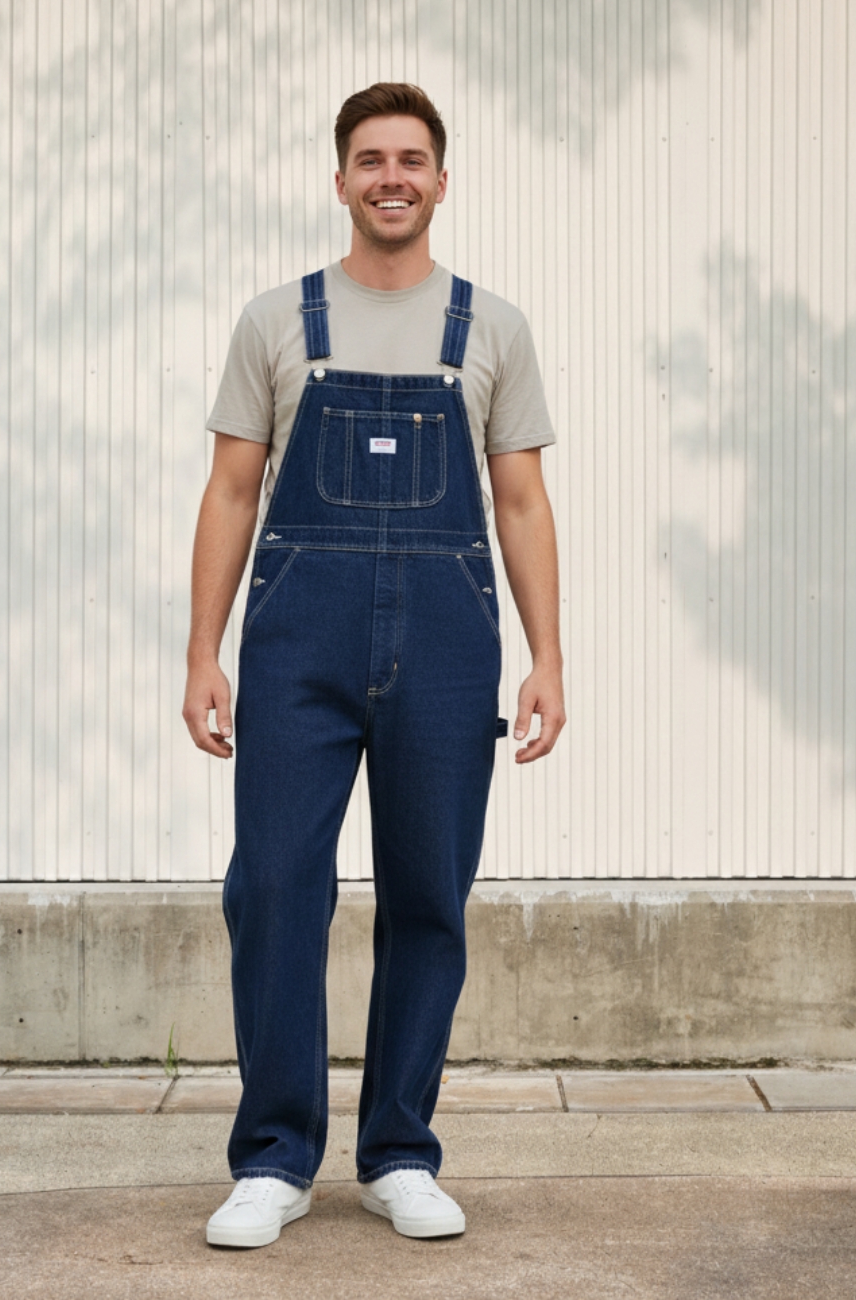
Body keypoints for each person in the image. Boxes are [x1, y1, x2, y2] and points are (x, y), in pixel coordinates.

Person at [182, 83, 565, 1249]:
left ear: (442, 181)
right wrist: (204, 650)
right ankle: (275, 1157)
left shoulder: (491, 327)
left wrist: (549, 655)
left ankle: (400, 1150)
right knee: (273, 886)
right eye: (369, 158)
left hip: (449, 643)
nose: (390, 176)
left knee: (428, 896)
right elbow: (234, 490)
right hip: (299, 640)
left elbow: (520, 499)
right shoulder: (276, 321)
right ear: (339, 179)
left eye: (411, 159)